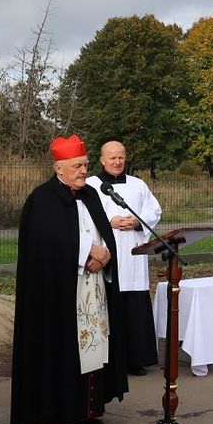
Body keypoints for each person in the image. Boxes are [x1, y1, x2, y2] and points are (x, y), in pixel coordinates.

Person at [10, 134, 128, 424]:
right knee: (64, 349)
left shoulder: (89, 194)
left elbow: (105, 233)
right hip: (61, 294)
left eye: (86, 165)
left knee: (94, 347)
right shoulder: (42, 199)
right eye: (77, 166)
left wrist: (105, 255)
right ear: (58, 167)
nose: (83, 171)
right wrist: (87, 250)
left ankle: (87, 410)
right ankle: (58, 415)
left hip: (93, 289)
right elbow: (45, 243)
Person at [86, 140, 163, 376]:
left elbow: (154, 210)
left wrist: (138, 221)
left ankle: (135, 359)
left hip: (133, 254)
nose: (117, 162)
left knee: (135, 305)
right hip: (106, 253)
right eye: (112, 158)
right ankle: (108, 360)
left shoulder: (138, 185)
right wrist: (108, 222)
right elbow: (84, 215)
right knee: (108, 304)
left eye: (121, 157)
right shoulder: (91, 185)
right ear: (102, 160)